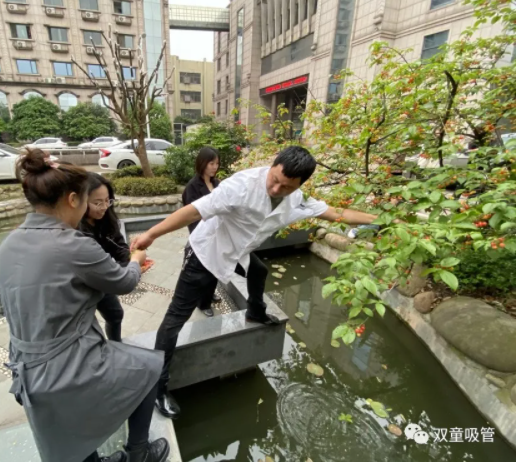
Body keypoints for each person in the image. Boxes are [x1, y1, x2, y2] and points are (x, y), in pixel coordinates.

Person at [131, 146, 387, 419]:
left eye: (286, 187)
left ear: (299, 185)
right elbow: (193, 211)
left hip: (238, 251)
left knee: (259, 272)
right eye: (274, 180)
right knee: (175, 319)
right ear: (273, 165)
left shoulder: (298, 199)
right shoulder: (241, 186)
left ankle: (255, 312)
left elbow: (337, 214)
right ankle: (158, 385)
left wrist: (382, 220)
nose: (276, 189)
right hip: (205, 253)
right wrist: (151, 234)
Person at [0, 149, 169, 462]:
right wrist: (137, 260)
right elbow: (124, 282)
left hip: (24, 368)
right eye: (88, 200)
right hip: (65, 364)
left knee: (69, 437)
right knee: (149, 368)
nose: (92, 207)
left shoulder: (7, 246)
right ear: (73, 200)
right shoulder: (74, 245)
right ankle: (139, 453)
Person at [79, 174, 129, 341]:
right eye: (97, 203)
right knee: (85, 326)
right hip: (82, 284)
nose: (104, 207)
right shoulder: (75, 229)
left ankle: (116, 344)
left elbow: (119, 245)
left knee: (115, 314)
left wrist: (130, 260)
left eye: (108, 200)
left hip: (102, 279)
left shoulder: (106, 219)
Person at [181, 147, 222, 317]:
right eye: (211, 163)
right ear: (202, 163)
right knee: (204, 269)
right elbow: (191, 216)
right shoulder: (192, 187)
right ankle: (203, 303)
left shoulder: (217, 183)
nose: (215, 167)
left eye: (217, 163)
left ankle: (209, 293)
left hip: (217, 233)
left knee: (215, 267)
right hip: (202, 235)